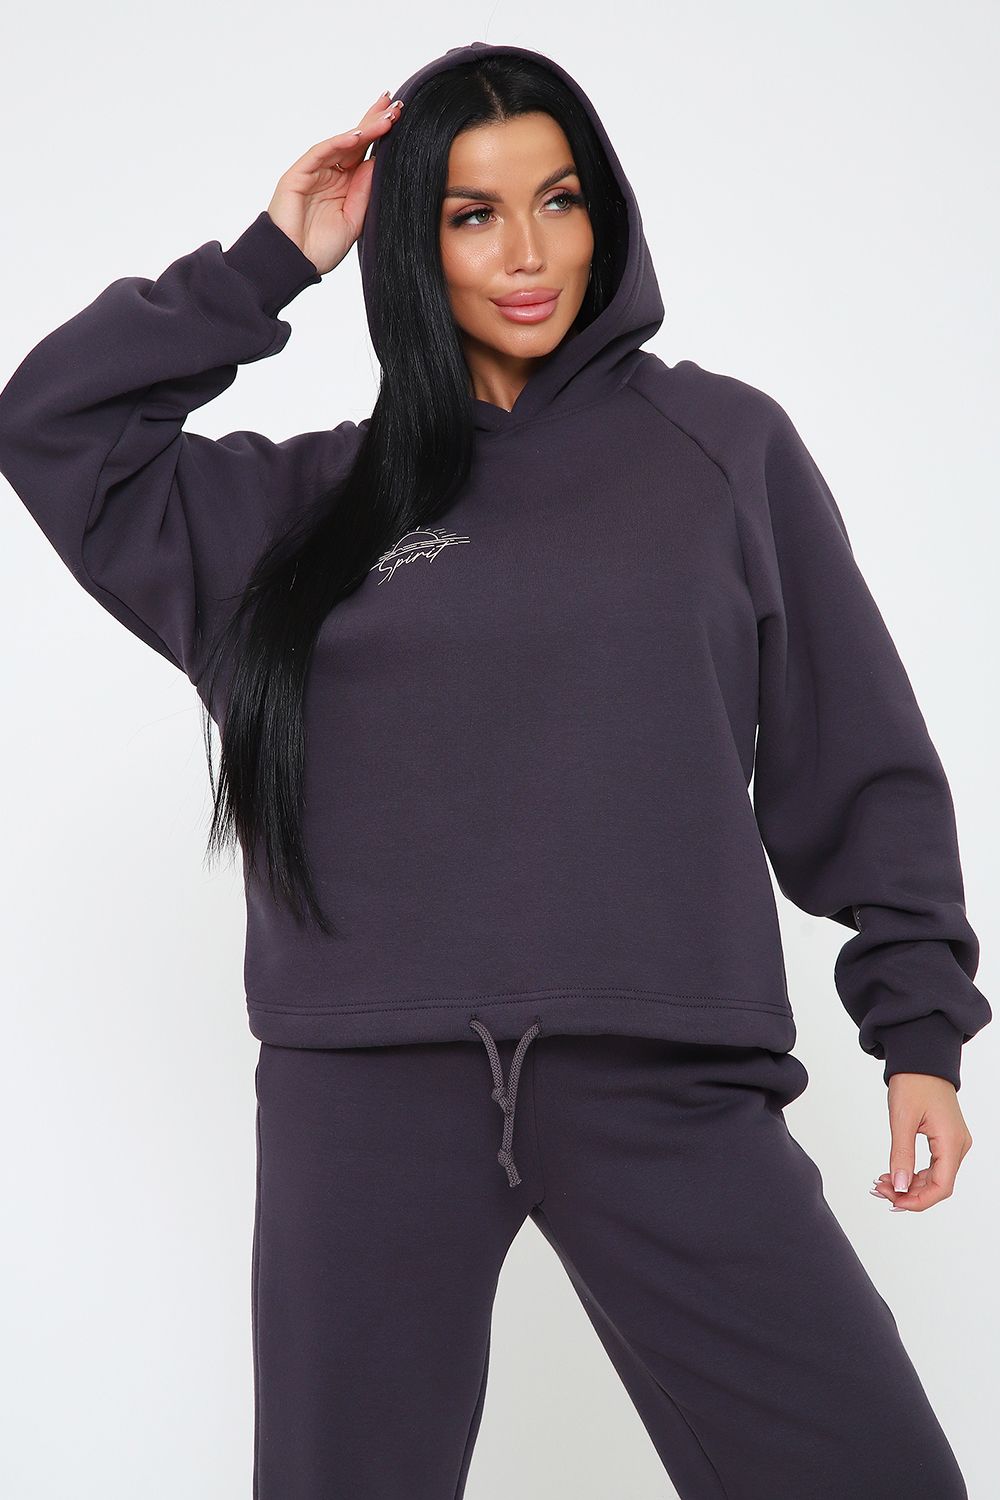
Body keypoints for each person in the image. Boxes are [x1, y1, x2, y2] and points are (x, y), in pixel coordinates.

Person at [0, 38, 989, 1500]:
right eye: (472, 214)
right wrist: (273, 257)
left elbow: (857, 750)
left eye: (559, 199)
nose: (529, 254)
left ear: (605, 213)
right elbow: (49, 425)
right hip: (364, 1100)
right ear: (414, 238)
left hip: (667, 1076)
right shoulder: (306, 508)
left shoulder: (721, 450)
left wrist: (919, 1030)